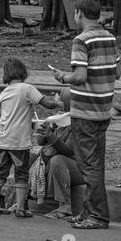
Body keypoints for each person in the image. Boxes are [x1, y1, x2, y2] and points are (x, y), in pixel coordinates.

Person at [51, 0, 121, 229]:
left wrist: (63, 77)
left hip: (85, 111)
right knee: (95, 163)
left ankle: (98, 215)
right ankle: (88, 211)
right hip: (103, 110)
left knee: (88, 165)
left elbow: (79, 77)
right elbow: (118, 72)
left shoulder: (81, 40)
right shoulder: (110, 37)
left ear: (79, 14)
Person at [0, 58, 64, 218]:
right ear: (23, 72)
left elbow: (7, 117)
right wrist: (57, 103)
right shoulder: (27, 88)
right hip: (18, 142)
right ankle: (20, 209)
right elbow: (46, 103)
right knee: (21, 173)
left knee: (0, 172)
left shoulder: (3, 94)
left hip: (2, 140)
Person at [32, 88, 85, 220]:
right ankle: (21, 203)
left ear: (68, 103)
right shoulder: (58, 119)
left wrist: (52, 137)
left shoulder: (78, 122)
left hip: (79, 169)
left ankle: (66, 207)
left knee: (57, 160)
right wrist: (44, 129)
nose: (56, 101)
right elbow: (40, 142)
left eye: (60, 99)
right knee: (28, 157)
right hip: (53, 161)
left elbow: (68, 150)